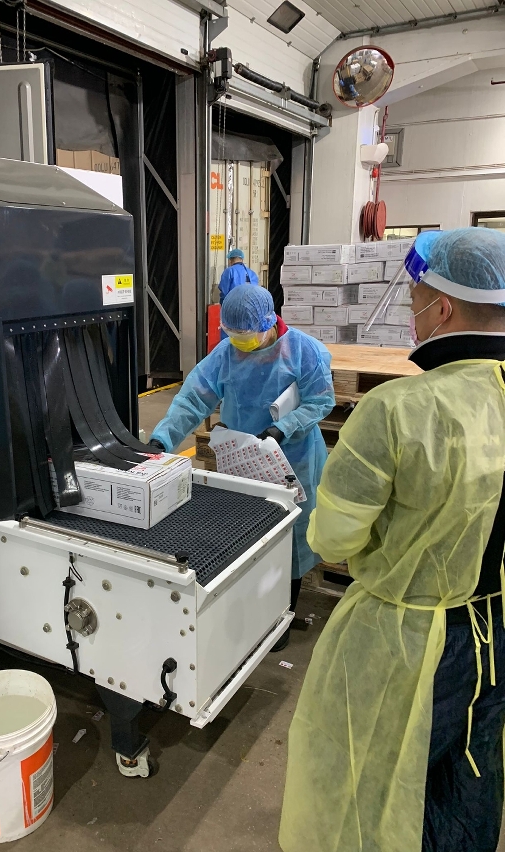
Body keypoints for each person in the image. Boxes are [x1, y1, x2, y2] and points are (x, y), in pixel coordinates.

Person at [279, 227, 505, 852]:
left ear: (444, 308)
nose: (413, 314)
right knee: (471, 769)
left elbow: (333, 538)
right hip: (496, 635)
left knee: (373, 781)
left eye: (414, 301)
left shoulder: (398, 409)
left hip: (412, 642)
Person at [150, 284, 335, 649]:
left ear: (269, 322)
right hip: (242, 457)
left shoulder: (303, 351)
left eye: (246, 337)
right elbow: (193, 398)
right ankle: (251, 608)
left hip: (293, 458)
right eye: (233, 336)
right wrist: (162, 440)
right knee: (244, 531)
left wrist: (283, 427)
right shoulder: (227, 354)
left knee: (290, 536)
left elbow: (320, 401)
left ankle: (282, 615)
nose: (241, 344)